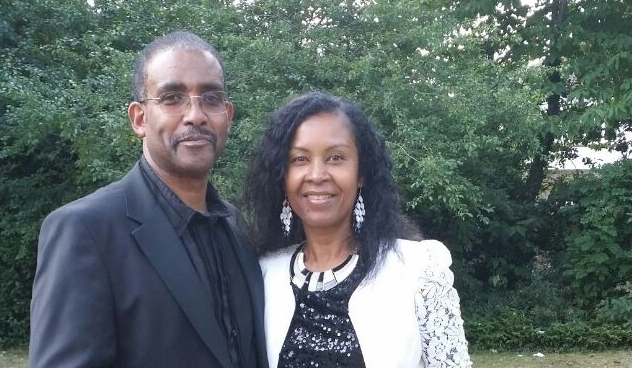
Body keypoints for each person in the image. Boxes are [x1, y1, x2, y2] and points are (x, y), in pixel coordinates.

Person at [30, 31, 268, 368]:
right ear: (139, 118)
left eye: (211, 98)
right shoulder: (86, 231)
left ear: (227, 114)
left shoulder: (240, 229)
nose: (196, 115)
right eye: (173, 97)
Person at [243, 91, 472, 367]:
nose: (317, 175)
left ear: (361, 173)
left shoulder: (418, 272)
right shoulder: (263, 275)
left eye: (336, 158)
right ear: (282, 176)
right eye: (300, 159)